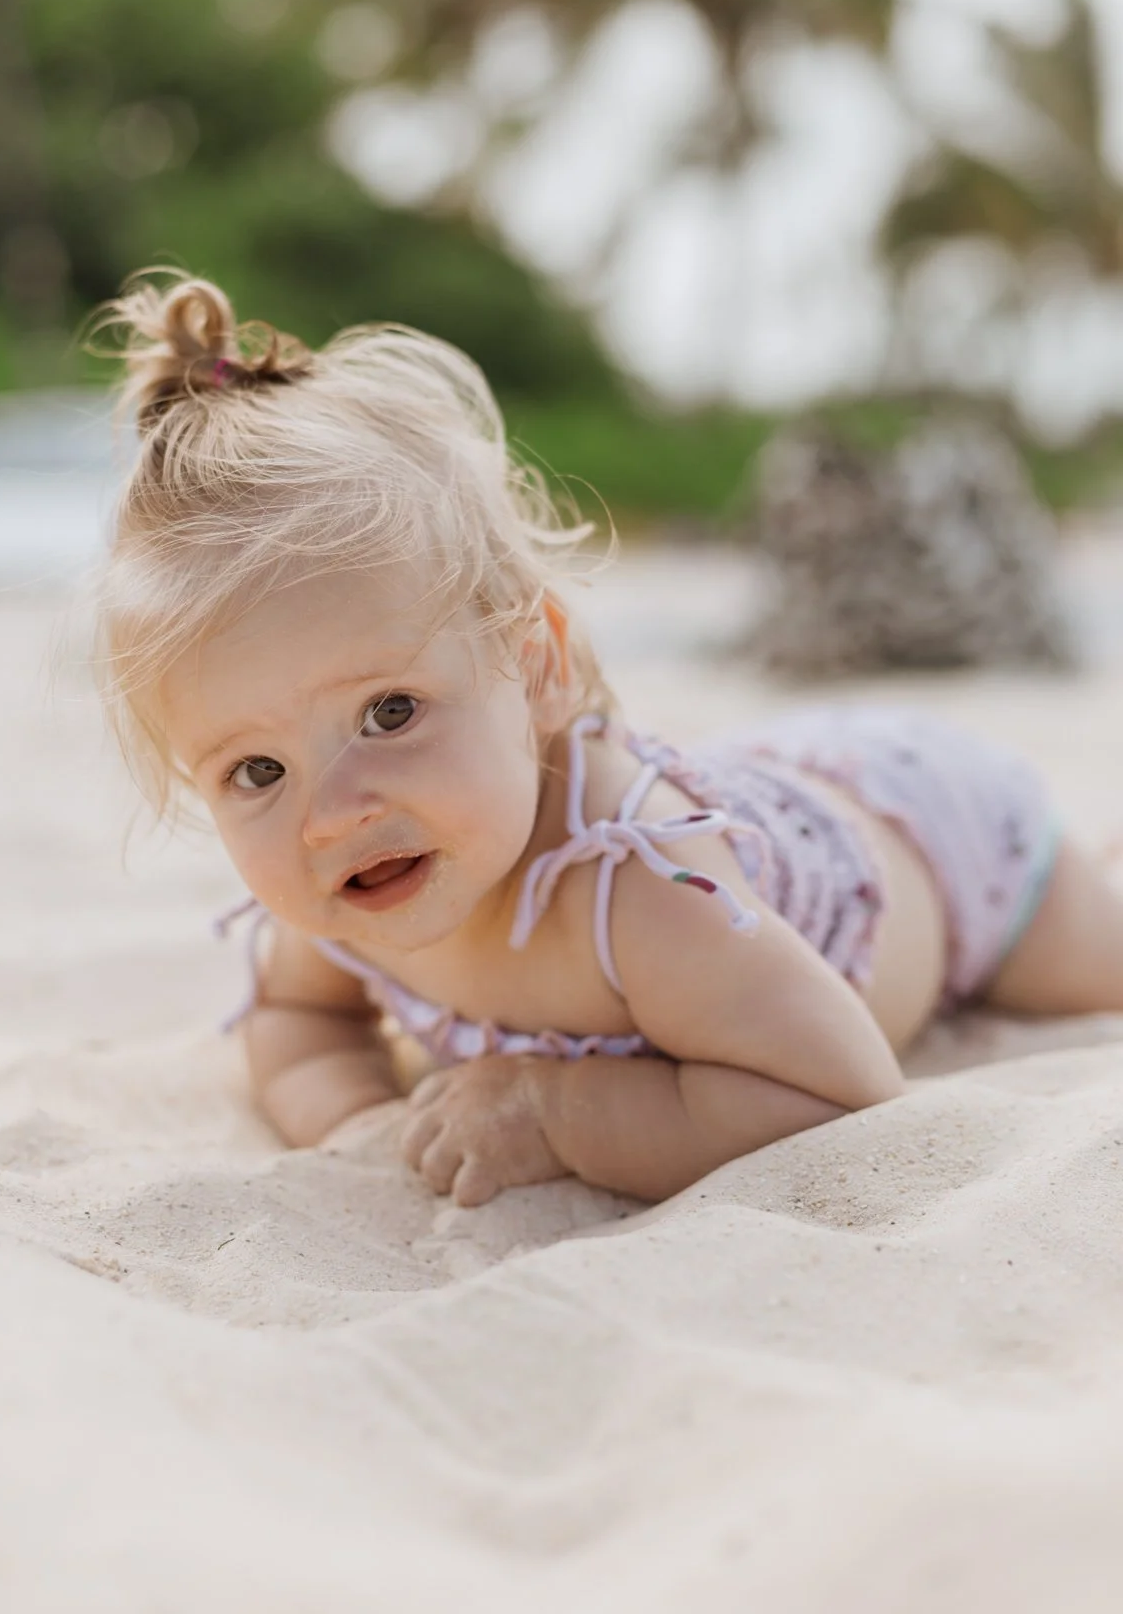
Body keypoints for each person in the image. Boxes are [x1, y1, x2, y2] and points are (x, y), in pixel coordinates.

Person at [95, 274, 1123, 1208]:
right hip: (783, 772)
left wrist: (555, 1113)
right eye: (257, 771)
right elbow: (296, 1026)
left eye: (391, 713)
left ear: (535, 665)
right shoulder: (342, 886)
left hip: (940, 840)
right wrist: (367, 1126)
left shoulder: (645, 887)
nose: (334, 812)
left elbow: (836, 1085)